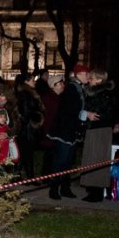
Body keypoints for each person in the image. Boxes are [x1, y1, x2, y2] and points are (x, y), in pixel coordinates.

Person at [47, 65, 88, 200]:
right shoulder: (71, 88)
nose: (87, 76)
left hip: (71, 130)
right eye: (85, 74)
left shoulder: (78, 88)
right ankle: (54, 189)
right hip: (64, 131)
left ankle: (65, 188)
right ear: (79, 75)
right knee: (61, 160)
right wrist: (84, 114)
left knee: (68, 161)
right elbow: (70, 110)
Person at [79, 69, 117, 202]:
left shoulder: (101, 94)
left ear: (99, 80)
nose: (90, 79)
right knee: (93, 158)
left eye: (93, 78)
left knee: (97, 159)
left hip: (99, 130)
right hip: (98, 129)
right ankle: (93, 190)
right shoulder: (101, 93)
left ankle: (96, 192)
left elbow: (98, 112)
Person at [14, 73, 45, 179]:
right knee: (26, 153)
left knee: (26, 153)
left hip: (29, 127)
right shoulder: (25, 94)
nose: (34, 82)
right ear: (26, 82)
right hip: (27, 128)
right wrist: (37, 118)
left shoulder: (29, 93)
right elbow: (26, 113)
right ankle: (21, 177)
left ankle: (23, 177)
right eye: (32, 80)